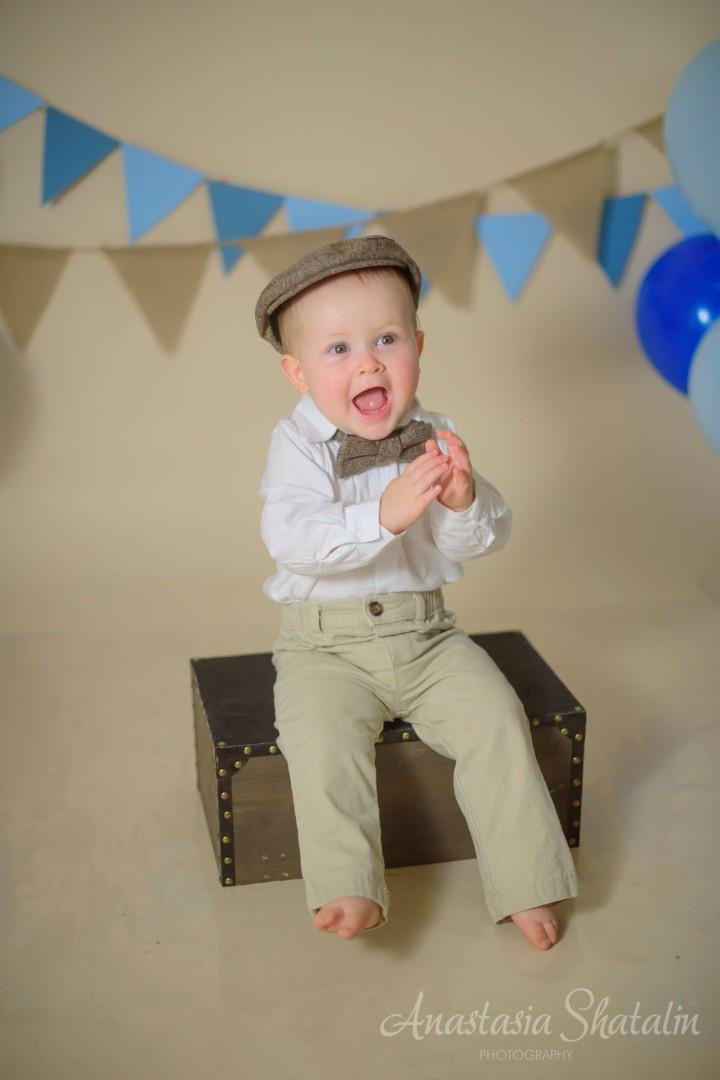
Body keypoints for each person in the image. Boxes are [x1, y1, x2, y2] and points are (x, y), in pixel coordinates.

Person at [255, 235, 578, 948]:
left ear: (419, 346)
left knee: (497, 717)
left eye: (386, 338)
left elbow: (476, 542)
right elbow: (291, 539)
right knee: (320, 741)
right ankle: (348, 883)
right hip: (323, 645)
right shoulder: (298, 446)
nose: (367, 361)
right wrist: (382, 513)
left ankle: (525, 881)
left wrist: (462, 500)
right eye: (337, 349)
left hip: (428, 636)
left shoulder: (436, 432)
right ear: (298, 372)